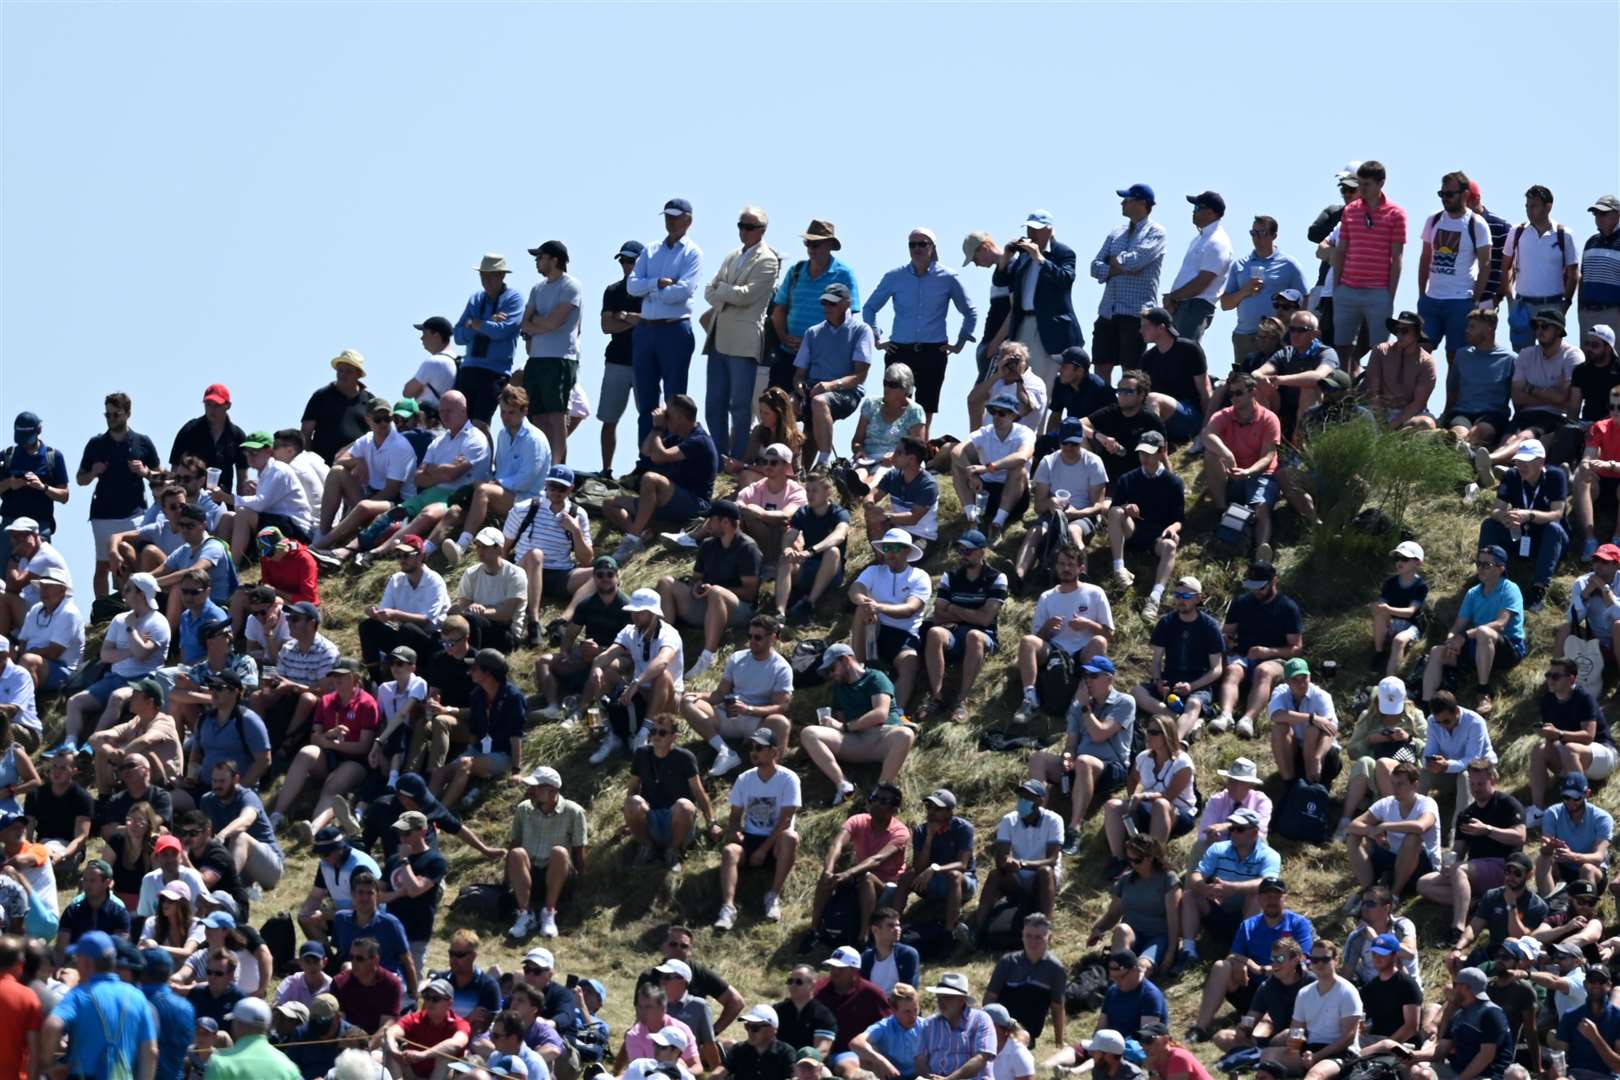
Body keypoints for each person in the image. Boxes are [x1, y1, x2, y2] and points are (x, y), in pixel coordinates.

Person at [863, 227, 978, 435]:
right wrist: (877, 338)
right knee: (893, 403)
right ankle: (891, 450)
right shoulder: (894, 276)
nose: (917, 248)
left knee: (926, 408)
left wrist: (960, 343)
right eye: (912, 244)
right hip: (900, 349)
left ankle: (919, 452)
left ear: (932, 247)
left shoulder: (948, 277)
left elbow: (970, 312)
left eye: (922, 244)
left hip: (933, 350)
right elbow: (869, 308)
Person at [434, 384, 550, 569]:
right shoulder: (503, 435)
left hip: (529, 502)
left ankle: (462, 546)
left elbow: (527, 480)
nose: (505, 417)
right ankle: (426, 549)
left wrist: (496, 483)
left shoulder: (535, 439)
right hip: (507, 495)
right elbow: (501, 470)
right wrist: (493, 482)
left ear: (524, 411)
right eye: (503, 412)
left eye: (510, 412)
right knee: (457, 509)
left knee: (482, 491)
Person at [1416, 760, 1527, 948]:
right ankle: (1476, 903)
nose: (1476, 789)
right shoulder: (1467, 814)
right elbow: (1458, 851)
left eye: (1480, 784)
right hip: (1474, 870)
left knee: (1460, 871)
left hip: (1504, 867)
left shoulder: (1507, 804)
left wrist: (1488, 830)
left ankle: (1457, 929)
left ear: (1492, 780)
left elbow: (1520, 837)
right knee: (1424, 883)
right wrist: (1449, 862)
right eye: (1472, 784)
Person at [1188, 878, 1315, 1043]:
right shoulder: (1248, 925)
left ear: (1285, 898)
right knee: (1222, 966)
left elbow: (1303, 957)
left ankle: (1261, 1037)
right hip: (1254, 988)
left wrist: (1273, 969)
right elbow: (1232, 956)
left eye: (1276, 896)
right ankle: (1201, 1027)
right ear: (1259, 899)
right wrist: (1250, 965)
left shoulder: (1298, 923)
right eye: (1266, 896)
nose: (1271, 901)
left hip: (1286, 989)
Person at [605, 395, 718, 564]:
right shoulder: (678, 436)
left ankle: (631, 539)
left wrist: (658, 428)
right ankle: (641, 536)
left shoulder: (699, 440)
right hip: (670, 499)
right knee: (609, 504)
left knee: (650, 479)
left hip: (694, 505)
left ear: (680, 417)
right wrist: (655, 430)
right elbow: (646, 451)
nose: (665, 417)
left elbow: (659, 457)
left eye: (669, 414)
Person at [658, 499, 762, 682]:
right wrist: (697, 587)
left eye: (711, 520)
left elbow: (750, 593)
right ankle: (662, 643)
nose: (707, 525)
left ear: (725, 522)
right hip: (707, 605)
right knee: (665, 582)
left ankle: (707, 656)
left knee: (716, 593)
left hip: (739, 610)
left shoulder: (748, 548)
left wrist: (716, 590)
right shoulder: (707, 545)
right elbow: (697, 578)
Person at [681, 613, 793, 777]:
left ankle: (774, 774)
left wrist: (748, 709)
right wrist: (698, 695)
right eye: (750, 636)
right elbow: (720, 694)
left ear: (773, 638)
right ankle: (725, 752)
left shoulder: (781, 668)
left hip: (756, 724)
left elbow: (781, 706)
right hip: (727, 715)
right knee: (687, 702)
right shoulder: (737, 658)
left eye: (758, 637)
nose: (752, 641)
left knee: (781, 723)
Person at [627, 198, 703, 440]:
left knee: (674, 399)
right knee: (646, 399)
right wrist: (657, 283)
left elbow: (682, 292)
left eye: (675, 216)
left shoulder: (692, 252)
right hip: (646, 329)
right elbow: (632, 286)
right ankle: (646, 457)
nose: (670, 221)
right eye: (668, 216)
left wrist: (650, 290)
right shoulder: (650, 250)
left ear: (687, 220)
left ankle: (671, 452)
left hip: (674, 330)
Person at [1420, 545, 1526, 714]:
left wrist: (1463, 636)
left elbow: (1500, 624)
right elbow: (1457, 627)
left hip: (1508, 648)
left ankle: (1483, 691)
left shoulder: (1510, 589)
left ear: (1501, 568)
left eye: (1487, 565)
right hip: (1477, 646)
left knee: (1484, 632)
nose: (1481, 569)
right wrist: (1451, 641)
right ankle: (1427, 706)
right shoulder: (1473, 593)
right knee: (1436, 652)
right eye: (1479, 563)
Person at [581, 587, 683, 763]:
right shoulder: (630, 631)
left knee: (663, 675)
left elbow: (662, 661)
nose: (635, 616)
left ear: (653, 614)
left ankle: (644, 733)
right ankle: (606, 731)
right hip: (640, 691)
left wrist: (636, 682)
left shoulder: (669, 634)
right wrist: (597, 667)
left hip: (668, 697)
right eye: (633, 612)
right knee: (603, 673)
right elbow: (606, 656)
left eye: (640, 612)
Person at [714, 726, 801, 930]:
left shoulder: (789, 778)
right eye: (751, 747)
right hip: (751, 838)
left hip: (776, 840)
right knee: (729, 851)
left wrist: (763, 850)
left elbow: (786, 820)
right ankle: (728, 908)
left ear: (774, 751)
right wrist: (734, 831)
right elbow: (735, 816)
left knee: (790, 837)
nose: (754, 751)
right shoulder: (745, 779)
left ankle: (773, 896)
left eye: (759, 747)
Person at [78, 392, 162, 598]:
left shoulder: (142, 442)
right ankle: (102, 610)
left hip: (134, 512)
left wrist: (146, 472)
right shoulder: (96, 444)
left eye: (116, 414)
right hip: (103, 514)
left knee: (134, 559)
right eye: (107, 415)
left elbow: (161, 476)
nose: (111, 419)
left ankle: (135, 601)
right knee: (103, 565)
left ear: (128, 414)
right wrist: (92, 472)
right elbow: (80, 479)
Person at [1175, 808, 1281, 972]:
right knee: (1190, 895)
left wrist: (1232, 888)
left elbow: (1268, 884)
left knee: (1257, 897)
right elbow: (1197, 874)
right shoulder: (1218, 849)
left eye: (1239, 829)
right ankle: (1189, 951)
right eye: (1232, 828)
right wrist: (1204, 888)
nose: (1233, 833)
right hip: (1217, 911)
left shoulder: (1270, 855)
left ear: (1254, 832)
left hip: (1245, 917)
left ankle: (1239, 952)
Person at [917, 530, 1007, 723]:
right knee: (934, 633)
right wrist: (970, 613)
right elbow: (939, 614)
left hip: (984, 635)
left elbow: (985, 619)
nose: (963, 555)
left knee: (974, 635)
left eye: (968, 551)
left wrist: (953, 608)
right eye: (961, 550)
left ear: (982, 552)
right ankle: (937, 698)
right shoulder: (950, 576)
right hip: (955, 633)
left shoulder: (997, 578)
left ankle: (961, 701)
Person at [44, 931, 159, 1080]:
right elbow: (151, 1052)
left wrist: (49, 1066)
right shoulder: (137, 997)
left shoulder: (78, 995)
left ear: (87, 963)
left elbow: (52, 1026)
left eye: (77, 959)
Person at [310, 398, 418, 555]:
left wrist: (357, 511)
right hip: (373, 496)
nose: (382, 423)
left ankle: (320, 546)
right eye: (377, 419)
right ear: (368, 420)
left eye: (387, 418)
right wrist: (358, 461)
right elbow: (338, 461)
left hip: (399, 504)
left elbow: (391, 491)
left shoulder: (399, 447)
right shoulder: (367, 440)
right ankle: (323, 533)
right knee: (337, 472)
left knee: (364, 507)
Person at [1329, 162, 1408, 373]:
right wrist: (1337, 286)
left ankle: (1373, 395)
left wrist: (1389, 294)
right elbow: (1341, 250)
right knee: (1342, 346)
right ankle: (1343, 393)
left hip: (1378, 291)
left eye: (1367, 184)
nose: (1362, 189)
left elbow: (1397, 257)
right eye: (1360, 184)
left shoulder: (1396, 214)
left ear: (1381, 183)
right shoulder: (1350, 211)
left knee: (1379, 349)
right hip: (1348, 288)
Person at [807, 786, 909, 946]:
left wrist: (848, 874)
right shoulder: (858, 820)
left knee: (867, 878)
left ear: (894, 810)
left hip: (887, 887)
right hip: (859, 876)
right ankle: (813, 931)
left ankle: (864, 936)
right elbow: (837, 844)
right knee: (827, 877)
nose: (874, 804)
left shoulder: (900, 832)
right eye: (873, 798)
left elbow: (877, 859)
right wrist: (828, 869)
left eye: (882, 801)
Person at [1201, 373, 1283, 564]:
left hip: (1262, 474)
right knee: (1210, 454)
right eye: (1231, 394)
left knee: (1261, 508)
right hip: (1234, 474)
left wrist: (1249, 472)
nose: (1234, 398)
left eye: (1239, 393)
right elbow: (1207, 435)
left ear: (1253, 391)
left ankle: (1262, 550)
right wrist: (1227, 454)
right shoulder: (1224, 415)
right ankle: (1222, 511)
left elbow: (1269, 456)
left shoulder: (1269, 419)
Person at [1016, 419, 1109, 586]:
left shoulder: (1094, 462)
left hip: (1083, 516)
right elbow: (1038, 506)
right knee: (1035, 532)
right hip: (1053, 515)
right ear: (1059, 441)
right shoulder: (1048, 462)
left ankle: (1082, 580)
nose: (1069, 448)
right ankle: (1019, 577)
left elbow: (1098, 506)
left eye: (1074, 443)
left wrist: (1077, 513)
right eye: (1065, 443)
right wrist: (1050, 502)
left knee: (1074, 532)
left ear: (1081, 441)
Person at [847, 529, 931, 709]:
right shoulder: (873, 571)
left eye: (894, 548)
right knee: (861, 610)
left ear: (907, 551)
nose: (889, 553)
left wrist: (878, 607)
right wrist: (865, 602)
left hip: (904, 635)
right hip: (875, 628)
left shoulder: (920, 576)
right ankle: (859, 669)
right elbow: (855, 589)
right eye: (886, 548)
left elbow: (910, 609)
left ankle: (895, 712)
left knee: (909, 664)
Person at [1089, 188, 1166, 384]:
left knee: (1131, 371)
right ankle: (1103, 411)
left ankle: (1128, 409)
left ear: (1142, 203)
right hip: (1108, 311)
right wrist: (1117, 266)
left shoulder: (1156, 232)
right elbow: (1095, 267)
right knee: (1101, 367)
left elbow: (1135, 261)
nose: (1122, 204)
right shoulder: (1117, 232)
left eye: (1127, 200)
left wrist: (1117, 263)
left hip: (1134, 314)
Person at [623, 713, 718, 872]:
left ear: (675, 737)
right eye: (653, 731)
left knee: (685, 805)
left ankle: (674, 851)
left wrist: (712, 823)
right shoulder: (641, 754)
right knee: (632, 802)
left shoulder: (685, 758)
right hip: (651, 819)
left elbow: (698, 792)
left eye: (662, 732)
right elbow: (633, 787)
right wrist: (628, 819)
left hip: (678, 821)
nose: (656, 736)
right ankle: (648, 848)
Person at [1132, 578, 1224, 741]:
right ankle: (1179, 719)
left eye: (1186, 596)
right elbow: (1156, 661)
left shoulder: (1209, 626)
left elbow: (1217, 669)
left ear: (1198, 598)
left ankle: (1175, 741)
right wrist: (1158, 681)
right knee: (1136, 692)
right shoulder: (1166, 622)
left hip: (1197, 684)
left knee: (1194, 703)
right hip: (1170, 682)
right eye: (1177, 595)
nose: (1180, 600)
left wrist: (1191, 686)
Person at [504, 765, 588, 941]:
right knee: (517, 853)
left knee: (559, 852)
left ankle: (549, 913)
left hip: (559, 875)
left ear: (552, 791)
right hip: (531, 873)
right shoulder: (523, 809)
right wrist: (507, 879)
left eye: (536, 788)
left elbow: (579, 851)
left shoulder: (574, 812)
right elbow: (514, 843)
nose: (531, 791)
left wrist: (582, 886)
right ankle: (525, 914)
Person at [1102, 714, 1196, 869]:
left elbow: (1169, 796)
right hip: (1148, 809)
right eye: (1148, 730)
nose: (1148, 735)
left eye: (1153, 732)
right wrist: (1132, 798)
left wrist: (1143, 796)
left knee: (1161, 804)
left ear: (1166, 735)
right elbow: (1132, 778)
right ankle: (1119, 859)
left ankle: (1151, 861)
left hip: (1178, 814)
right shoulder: (1143, 757)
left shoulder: (1183, 763)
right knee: (1112, 806)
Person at [519, 240, 583, 463]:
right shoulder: (537, 288)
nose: (537, 261)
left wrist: (539, 323)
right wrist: (540, 323)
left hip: (560, 359)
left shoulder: (570, 286)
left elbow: (554, 322)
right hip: (536, 359)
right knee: (536, 415)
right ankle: (541, 462)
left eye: (541, 257)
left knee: (556, 415)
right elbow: (524, 323)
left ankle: (557, 466)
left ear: (554, 260)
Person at [974, 780, 1063, 940]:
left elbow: (1052, 860)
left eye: (1028, 797)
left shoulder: (1054, 820)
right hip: (1017, 878)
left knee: (1045, 872)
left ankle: (1046, 930)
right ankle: (978, 931)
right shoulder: (1009, 820)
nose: (1022, 800)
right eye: (1021, 796)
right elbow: (1001, 858)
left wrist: (1023, 864)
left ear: (1040, 801)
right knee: (995, 875)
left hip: (1042, 879)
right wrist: (1006, 862)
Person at [1419, 172, 1494, 360]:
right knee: (1419, 351)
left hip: (1460, 301)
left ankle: (1452, 391)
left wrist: (1475, 301)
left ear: (1464, 194)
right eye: (1441, 194)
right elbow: (1425, 257)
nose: (1445, 199)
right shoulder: (1434, 220)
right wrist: (1422, 295)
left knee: (1456, 356)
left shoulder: (1476, 224)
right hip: (1432, 299)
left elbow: (1485, 264)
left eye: (1449, 194)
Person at [1529, 657, 1616, 820]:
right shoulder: (1548, 700)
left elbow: (1589, 736)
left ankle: (1581, 814)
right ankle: (1538, 811)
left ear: (1571, 679)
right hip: (1572, 757)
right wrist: (1548, 760)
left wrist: (1559, 734)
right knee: (1538, 750)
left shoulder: (1583, 698)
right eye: (1548, 675)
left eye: (1555, 676)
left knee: (1571, 748)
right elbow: (1551, 738)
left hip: (1602, 754)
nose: (1550, 680)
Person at [1221, 214, 1309, 367]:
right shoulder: (1240, 265)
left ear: (1274, 235)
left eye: (1262, 233)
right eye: (1253, 233)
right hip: (1245, 336)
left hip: (1276, 336)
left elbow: (1305, 299)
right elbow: (1225, 304)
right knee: (1244, 383)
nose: (1256, 237)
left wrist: (1293, 328)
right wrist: (1245, 291)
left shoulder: (1289, 265)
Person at [1088, 834, 1182, 977]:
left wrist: (1170, 952)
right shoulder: (1126, 880)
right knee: (1121, 929)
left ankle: (1129, 978)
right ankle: (1118, 975)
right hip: (1132, 936)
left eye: (1137, 860)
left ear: (1150, 858)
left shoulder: (1167, 879)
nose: (1132, 864)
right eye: (1129, 859)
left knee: (1141, 968)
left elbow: (1174, 921)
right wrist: (1098, 929)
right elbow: (1112, 915)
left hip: (1157, 938)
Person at [215, 431, 316, 563]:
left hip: (296, 528)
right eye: (247, 452)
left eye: (254, 452)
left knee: (243, 513)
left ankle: (233, 567)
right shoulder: (266, 472)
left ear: (269, 451)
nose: (249, 456)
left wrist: (226, 497)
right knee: (228, 517)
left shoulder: (278, 470)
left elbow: (260, 504)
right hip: (281, 522)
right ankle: (217, 563)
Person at [1345, 761, 1440, 900]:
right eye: (1393, 783)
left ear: (1415, 785)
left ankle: (1393, 896)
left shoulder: (1427, 803)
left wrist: (1384, 826)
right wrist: (1372, 831)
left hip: (1423, 865)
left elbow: (1421, 826)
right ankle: (1369, 892)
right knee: (1354, 837)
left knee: (1412, 838)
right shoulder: (1387, 802)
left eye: (1400, 784)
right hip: (1392, 856)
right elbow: (1352, 825)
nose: (1395, 789)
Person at [1503, 185, 1581, 350]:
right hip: (1522, 305)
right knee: (1522, 355)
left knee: (1551, 353)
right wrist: (1510, 299)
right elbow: (1506, 267)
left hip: (1552, 305)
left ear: (1548, 207)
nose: (1529, 210)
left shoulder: (1564, 235)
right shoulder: (1517, 232)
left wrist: (1565, 303)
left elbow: (1573, 272)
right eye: (1527, 206)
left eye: (1534, 206)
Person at [895, 788, 977, 941]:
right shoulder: (921, 831)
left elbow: (962, 864)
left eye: (937, 809)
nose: (931, 812)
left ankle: (949, 932)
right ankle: (892, 923)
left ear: (949, 811)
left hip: (963, 882)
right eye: (929, 807)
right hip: (933, 881)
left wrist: (935, 868)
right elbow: (919, 868)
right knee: (907, 877)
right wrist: (929, 838)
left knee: (954, 876)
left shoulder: (963, 828)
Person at [952, 394, 1035, 542]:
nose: (996, 416)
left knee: (1019, 469)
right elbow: (956, 451)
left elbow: (1022, 456)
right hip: (984, 493)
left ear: (1013, 416)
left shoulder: (1024, 433)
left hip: (1015, 497)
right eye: (993, 412)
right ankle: (972, 518)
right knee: (958, 465)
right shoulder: (986, 432)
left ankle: (998, 524)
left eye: (1002, 413)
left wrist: (988, 468)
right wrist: (972, 474)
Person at [1406, 968, 1513, 1080]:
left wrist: (1460, 1079)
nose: (1451, 989)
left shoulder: (1491, 1013)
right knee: (1419, 1073)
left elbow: (1486, 1056)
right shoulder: (1458, 1014)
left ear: (1465, 987)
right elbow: (1440, 1051)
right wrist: (1413, 1055)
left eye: (1454, 984)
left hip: (1486, 1075)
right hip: (1457, 1070)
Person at [778, 470, 851, 626]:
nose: (810, 495)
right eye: (808, 490)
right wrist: (787, 549)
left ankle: (808, 604)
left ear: (828, 492)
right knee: (785, 558)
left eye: (814, 490)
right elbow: (789, 536)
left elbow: (840, 535)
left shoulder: (839, 513)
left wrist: (811, 551)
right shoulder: (803, 512)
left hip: (831, 573)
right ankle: (780, 613)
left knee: (833, 551)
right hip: (807, 567)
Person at [0, 410, 71, 570]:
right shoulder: (7, 456)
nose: (24, 443)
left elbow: (64, 496)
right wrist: (11, 483)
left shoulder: (53, 457)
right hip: (10, 526)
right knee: (3, 578)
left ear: (38, 431)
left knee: (38, 577)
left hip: (40, 525)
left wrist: (42, 487)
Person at [983, 913, 1067, 1046]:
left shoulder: (1056, 969)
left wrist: (1059, 1043)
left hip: (1026, 1035)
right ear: (1022, 936)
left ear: (1049, 938)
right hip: (1000, 1029)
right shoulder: (1007, 962)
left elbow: (1057, 1007)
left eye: (1039, 937)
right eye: (1028, 936)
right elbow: (990, 998)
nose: (1033, 942)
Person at [1163, 191, 1234, 342]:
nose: (1193, 212)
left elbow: (1202, 282)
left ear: (1210, 213)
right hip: (1184, 305)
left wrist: (1174, 297)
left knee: (1184, 354)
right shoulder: (1202, 238)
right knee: (1174, 354)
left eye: (1197, 208)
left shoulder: (1218, 241)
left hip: (1195, 306)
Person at [1135, 306, 1213, 443]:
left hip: (1191, 416)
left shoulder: (1190, 349)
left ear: (1161, 327)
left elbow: (1205, 392)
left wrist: (1207, 430)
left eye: (1145, 326)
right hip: (1163, 419)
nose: (1141, 331)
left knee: (1153, 399)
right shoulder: (1148, 358)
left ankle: (1153, 447)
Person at [861, 437, 940, 562]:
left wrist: (885, 516)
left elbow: (913, 518)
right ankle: (882, 562)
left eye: (899, 452)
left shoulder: (928, 485)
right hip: (897, 531)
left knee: (901, 558)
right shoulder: (893, 476)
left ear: (912, 459)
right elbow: (871, 495)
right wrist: (870, 507)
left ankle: (887, 563)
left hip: (921, 536)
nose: (893, 455)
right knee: (872, 517)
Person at [1267, 659, 1342, 787]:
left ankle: (1316, 782)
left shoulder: (1321, 696)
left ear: (1310, 677)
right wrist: (1311, 718)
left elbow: (1330, 730)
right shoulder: (1280, 692)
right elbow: (1275, 715)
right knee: (1279, 728)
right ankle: (1289, 784)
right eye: (1295, 679)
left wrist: (1318, 758)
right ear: (1286, 681)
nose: (1301, 684)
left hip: (1323, 755)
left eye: (1304, 678)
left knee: (1313, 730)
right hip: (1297, 752)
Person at [1536, 771, 1612, 897]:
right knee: (1542, 860)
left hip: (1593, 871)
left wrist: (1572, 856)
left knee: (1586, 869)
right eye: (1566, 797)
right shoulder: (1552, 813)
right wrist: (1549, 847)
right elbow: (1545, 850)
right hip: (1564, 868)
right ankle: (1550, 907)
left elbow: (1598, 857)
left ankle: (1585, 909)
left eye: (1576, 798)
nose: (1571, 802)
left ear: (1587, 794)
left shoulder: (1602, 818)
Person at [1084, 369, 1167, 483]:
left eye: (1128, 391)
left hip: (1136, 481)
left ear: (1141, 394)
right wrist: (1099, 437)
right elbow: (1075, 424)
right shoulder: (1110, 412)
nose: (1122, 395)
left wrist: (1171, 484)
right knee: (1078, 436)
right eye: (1120, 391)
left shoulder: (1151, 421)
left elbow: (1163, 457)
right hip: (1105, 477)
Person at [16, 562, 85, 696]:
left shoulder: (69, 613)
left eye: (49, 587)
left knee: (27, 660)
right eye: (42, 586)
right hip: (40, 661)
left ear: (62, 591)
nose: (43, 590)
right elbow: (23, 641)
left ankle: (24, 707)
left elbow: (54, 653)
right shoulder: (36, 609)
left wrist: (26, 654)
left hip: (65, 670)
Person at [850, 365, 927, 487]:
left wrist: (896, 457)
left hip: (894, 463)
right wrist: (859, 450)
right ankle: (854, 490)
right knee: (858, 474)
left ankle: (864, 493)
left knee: (879, 475)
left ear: (905, 388)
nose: (887, 388)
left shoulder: (915, 411)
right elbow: (856, 441)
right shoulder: (870, 404)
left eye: (893, 385)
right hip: (867, 459)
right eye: (885, 383)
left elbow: (918, 449)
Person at [1364, 311, 1440, 429]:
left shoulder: (1426, 363)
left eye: (1404, 331)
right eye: (1397, 330)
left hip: (1409, 414)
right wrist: (1380, 419)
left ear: (1416, 334)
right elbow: (1373, 392)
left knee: (1426, 423)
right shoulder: (1380, 351)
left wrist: (1392, 425)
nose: (1399, 334)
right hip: (1380, 410)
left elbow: (1418, 403)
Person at [733, 443, 806, 565]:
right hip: (759, 543)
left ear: (786, 466)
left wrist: (760, 513)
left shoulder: (797, 492)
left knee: (775, 524)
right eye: (764, 462)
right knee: (736, 518)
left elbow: (786, 516)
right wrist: (747, 510)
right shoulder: (757, 487)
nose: (767, 466)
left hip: (786, 547)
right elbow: (737, 504)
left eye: (773, 463)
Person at [914, 973, 996, 1080]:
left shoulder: (980, 1020)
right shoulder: (929, 1024)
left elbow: (981, 1058)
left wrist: (949, 1079)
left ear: (962, 1000)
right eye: (939, 997)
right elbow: (920, 1059)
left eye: (947, 998)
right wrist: (928, 1077)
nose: (940, 1002)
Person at [383, 979, 470, 1079]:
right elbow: (390, 1032)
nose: (429, 1002)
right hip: (412, 1073)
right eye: (427, 997)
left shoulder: (460, 1023)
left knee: (444, 1057)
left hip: (442, 1075)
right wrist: (396, 1052)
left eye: (435, 999)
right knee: (388, 1049)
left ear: (449, 1003)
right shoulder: (414, 1018)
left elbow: (457, 1043)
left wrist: (424, 1055)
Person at [1193, 758, 1272, 865]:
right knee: (1200, 845)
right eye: (1230, 780)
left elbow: (1259, 832)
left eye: (1237, 782)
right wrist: (1212, 839)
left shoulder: (1261, 801)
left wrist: (1228, 826)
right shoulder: (1217, 800)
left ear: (1249, 785)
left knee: (1261, 843)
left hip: (1246, 851)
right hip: (1218, 849)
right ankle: (1195, 881)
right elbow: (1204, 833)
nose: (1231, 785)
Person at [26, 747, 94, 866]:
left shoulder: (83, 798)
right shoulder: (35, 795)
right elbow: (28, 831)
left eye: (63, 768)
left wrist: (62, 855)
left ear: (74, 771)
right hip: (43, 845)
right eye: (54, 766)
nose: (57, 772)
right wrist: (28, 850)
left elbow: (81, 837)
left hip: (70, 850)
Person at [850, 983, 923, 1080]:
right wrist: (883, 1062)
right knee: (864, 1057)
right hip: (892, 1077)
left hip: (919, 1076)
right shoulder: (884, 1027)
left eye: (915, 1010)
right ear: (893, 1009)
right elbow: (855, 1043)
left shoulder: (924, 1025)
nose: (913, 1016)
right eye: (907, 1012)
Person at [716, 1003, 796, 1080]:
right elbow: (718, 1074)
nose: (750, 1032)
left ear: (772, 1029)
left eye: (755, 1028)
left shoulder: (786, 1053)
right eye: (747, 1026)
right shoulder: (738, 1050)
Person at [1580, 194, 1620, 339]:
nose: (1598, 218)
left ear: (1617, 214)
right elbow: (1582, 280)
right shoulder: (1591, 242)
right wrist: (1581, 312)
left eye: (1603, 213)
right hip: (1588, 315)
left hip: (1613, 314)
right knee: (1589, 359)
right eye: (1596, 214)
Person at [861, 908, 920, 996]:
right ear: (875, 930)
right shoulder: (866, 958)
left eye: (898, 925)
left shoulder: (907, 955)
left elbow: (909, 993)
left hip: (898, 1008)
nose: (897, 929)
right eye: (890, 925)